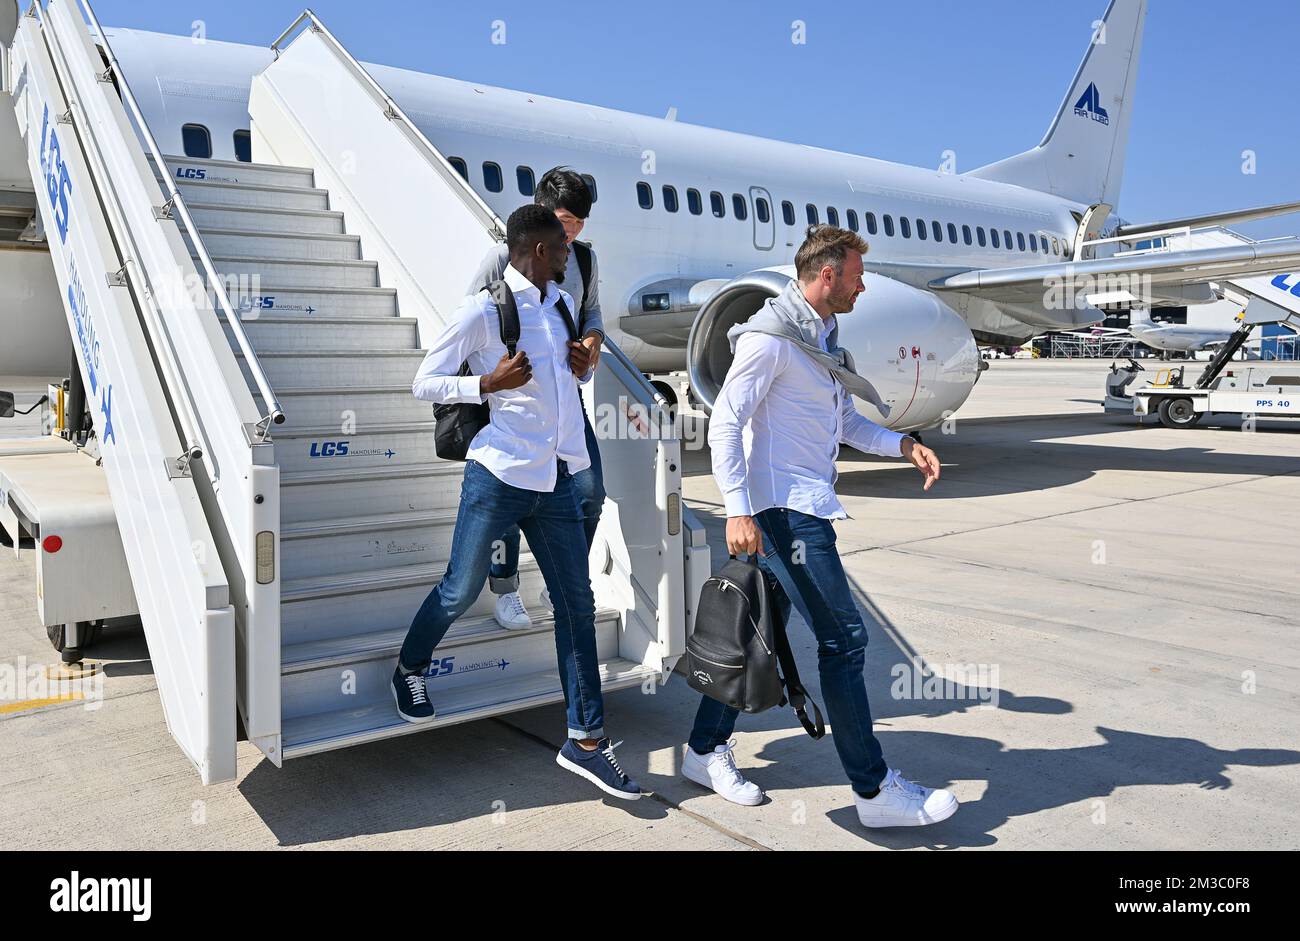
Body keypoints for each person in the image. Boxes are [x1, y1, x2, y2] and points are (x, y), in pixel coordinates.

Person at [683, 225, 959, 828]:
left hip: (800, 504)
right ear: (827, 275)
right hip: (786, 515)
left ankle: (703, 751)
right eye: (857, 277)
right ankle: (874, 790)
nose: (862, 287)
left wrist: (903, 444)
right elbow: (726, 423)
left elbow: (845, 426)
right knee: (844, 641)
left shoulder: (820, 339)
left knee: (752, 636)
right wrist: (737, 509)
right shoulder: (771, 341)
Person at [393, 204, 642, 800]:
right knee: (460, 587)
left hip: (554, 479)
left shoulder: (559, 304)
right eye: (561, 247)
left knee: (576, 606)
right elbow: (423, 380)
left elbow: (563, 385)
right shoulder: (484, 309)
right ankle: (410, 669)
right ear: (534, 248)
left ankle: (584, 740)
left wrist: (582, 366)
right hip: (499, 474)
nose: (569, 256)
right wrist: (485, 383)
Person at [465, 167, 606, 630]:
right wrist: (490, 381)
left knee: (589, 494)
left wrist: (592, 342)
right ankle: (505, 589)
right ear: (541, 210)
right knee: (510, 500)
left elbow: (592, 313)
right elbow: (470, 319)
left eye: (580, 223)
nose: (572, 232)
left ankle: (561, 575)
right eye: (565, 221)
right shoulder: (500, 256)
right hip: (514, 403)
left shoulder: (584, 259)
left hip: (566, 402)